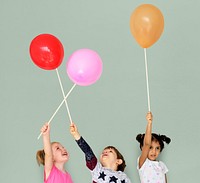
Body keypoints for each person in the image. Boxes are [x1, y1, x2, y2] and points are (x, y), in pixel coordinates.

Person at [136, 112, 171, 183]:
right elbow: (147, 144)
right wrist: (149, 123)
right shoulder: (144, 162)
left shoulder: (162, 165)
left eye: (157, 148)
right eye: (150, 148)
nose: (154, 151)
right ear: (143, 148)